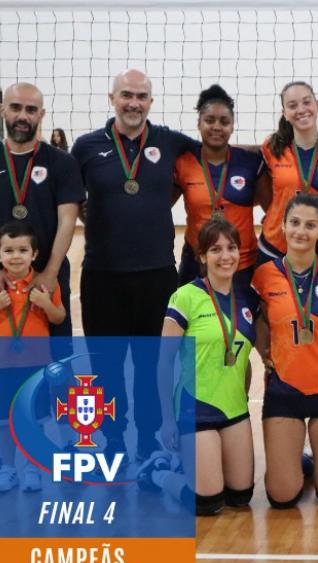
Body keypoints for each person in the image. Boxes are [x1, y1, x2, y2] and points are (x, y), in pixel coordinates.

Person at [71, 68, 198, 462]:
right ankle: (112, 442)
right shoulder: (86, 147)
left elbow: (217, 150)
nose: (133, 103)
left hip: (157, 276)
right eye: (126, 95)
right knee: (105, 368)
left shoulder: (170, 142)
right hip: (102, 277)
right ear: (112, 98)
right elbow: (68, 200)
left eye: (141, 96)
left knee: (151, 367)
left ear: (151, 102)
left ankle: (147, 443)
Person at [251, 194, 318, 509]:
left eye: (310, 225)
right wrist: (264, 353)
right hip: (284, 391)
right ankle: (300, 459)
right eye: (294, 223)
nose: (301, 231)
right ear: (283, 226)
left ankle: (312, 460)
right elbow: (258, 320)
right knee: (281, 497)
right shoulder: (263, 275)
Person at [0, 82, 82, 338]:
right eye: (15, 107)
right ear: (3, 109)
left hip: (49, 272)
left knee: (57, 354)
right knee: (1, 353)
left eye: (31, 110)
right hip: (0, 275)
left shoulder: (62, 162)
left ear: (41, 114)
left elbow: (67, 220)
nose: (23, 116)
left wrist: (50, 273)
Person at [155, 219, 257, 516]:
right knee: (208, 504)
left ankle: (198, 464)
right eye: (215, 249)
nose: (225, 256)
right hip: (195, 408)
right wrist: (168, 420)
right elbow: (164, 363)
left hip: (234, 408)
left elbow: (244, 357)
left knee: (241, 497)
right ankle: (159, 475)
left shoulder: (248, 298)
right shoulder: (185, 297)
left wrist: (243, 395)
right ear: (202, 256)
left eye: (231, 248)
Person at [0, 222, 65, 493]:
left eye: (23, 250)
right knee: (2, 422)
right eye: (8, 251)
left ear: (34, 254)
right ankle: (8, 469)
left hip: (35, 367)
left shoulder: (44, 285)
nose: (16, 256)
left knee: (34, 420)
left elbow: (59, 317)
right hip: (1, 366)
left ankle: (33, 469)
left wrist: (45, 304)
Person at [174, 84, 264, 289]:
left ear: (232, 126)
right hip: (197, 261)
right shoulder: (183, 162)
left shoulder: (249, 162)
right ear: (198, 123)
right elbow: (162, 204)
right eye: (209, 120)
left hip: (241, 263)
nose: (216, 127)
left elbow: (270, 206)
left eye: (224, 122)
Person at [256, 81, 318, 263]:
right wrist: (278, 214)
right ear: (285, 113)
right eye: (292, 105)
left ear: (317, 105)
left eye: (307, 102)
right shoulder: (271, 148)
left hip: (315, 248)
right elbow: (266, 196)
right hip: (274, 246)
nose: (301, 109)